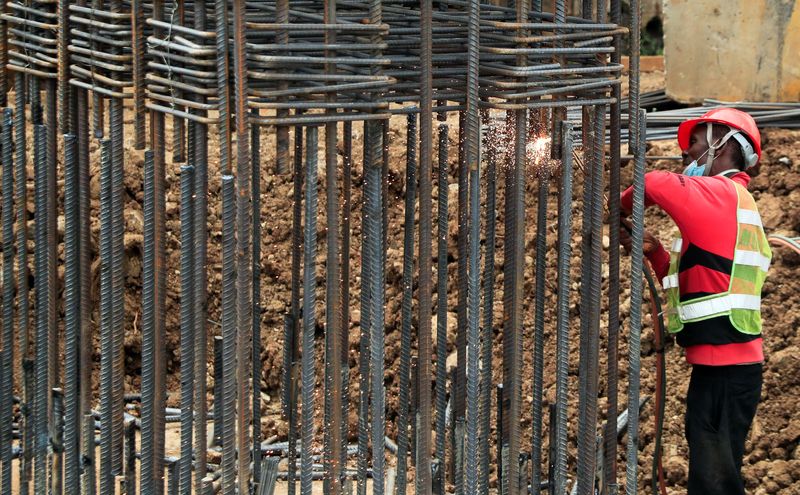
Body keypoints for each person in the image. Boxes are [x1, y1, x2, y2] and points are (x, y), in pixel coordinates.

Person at [618, 108, 771, 495]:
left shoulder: (721, 195)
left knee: (715, 481)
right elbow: (694, 280)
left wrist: (618, 205)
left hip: (727, 371)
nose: (686, 156)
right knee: (715, 474)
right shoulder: (730, 205)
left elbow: (653, 182)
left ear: (720, 145)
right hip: (721, 367)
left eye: (694, 147)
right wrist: (653, 251)